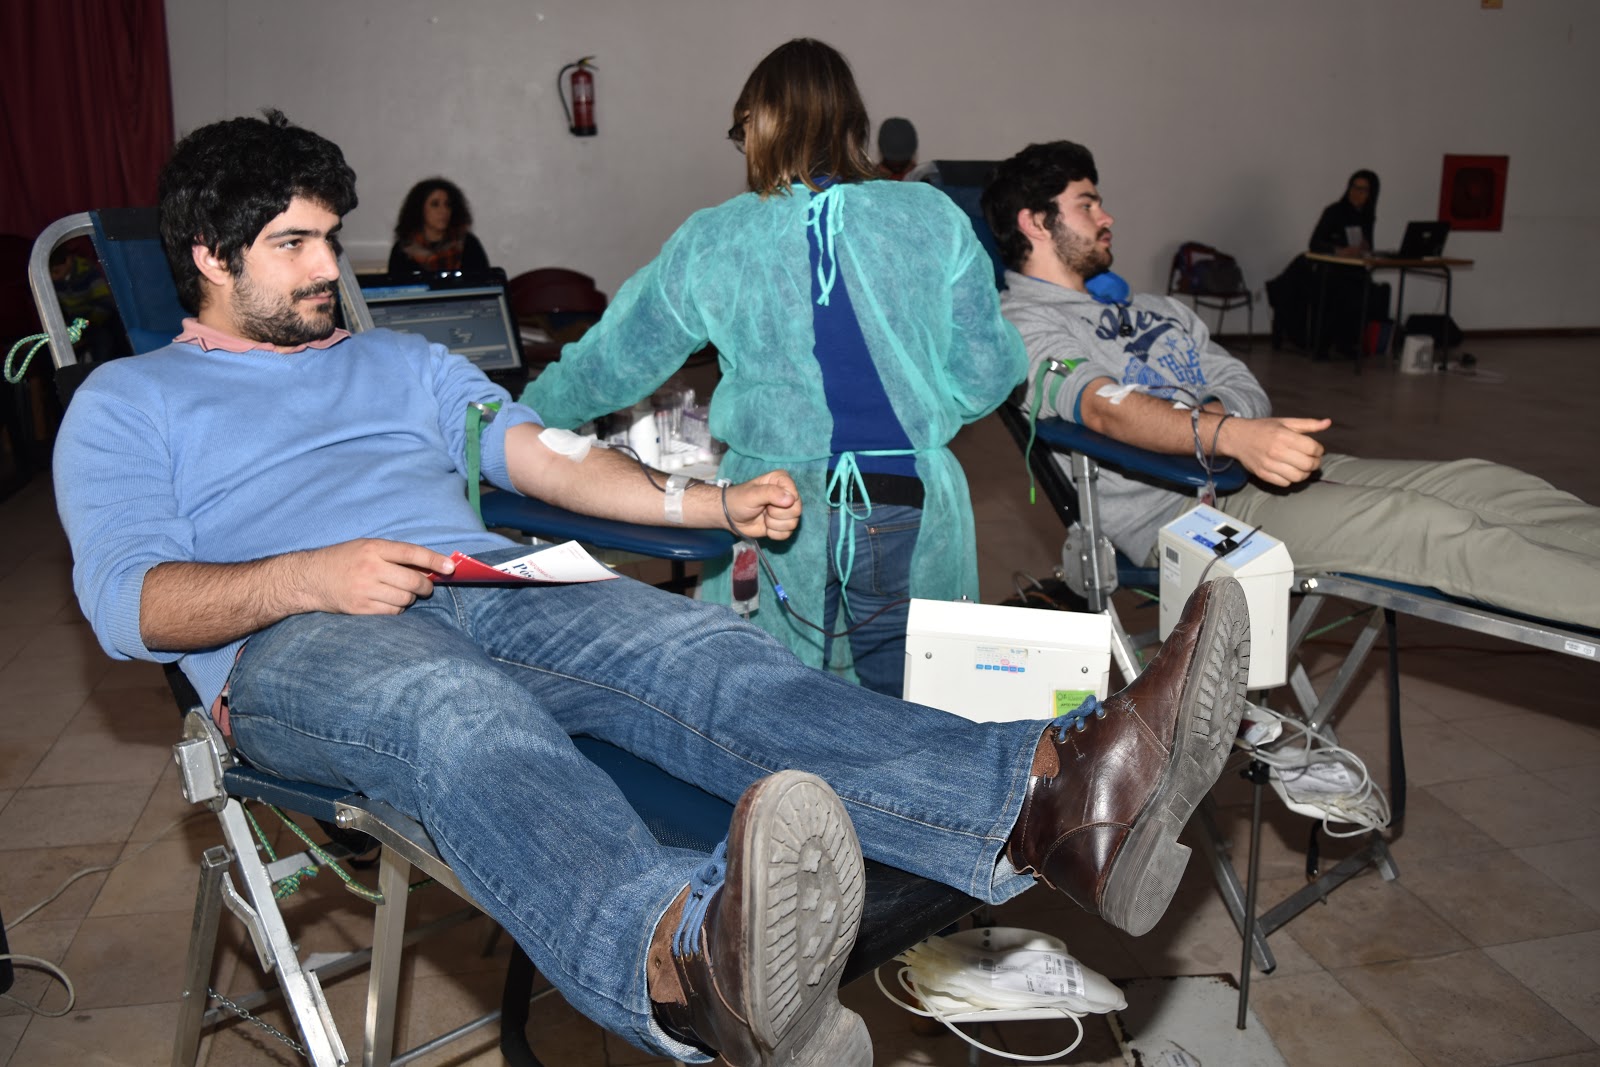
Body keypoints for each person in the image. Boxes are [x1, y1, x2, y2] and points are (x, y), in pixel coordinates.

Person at [52, 112, 1253, 1066]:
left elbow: (547, 457)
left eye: (329, 237)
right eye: (294, 245)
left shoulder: (400, 361)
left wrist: (707, 505)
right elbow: (131, 604)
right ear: (208, 257)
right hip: (296, 640)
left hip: (483, 583)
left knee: (700, 651)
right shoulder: (129, 402)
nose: (330, 268)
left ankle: (1050, 799)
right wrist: (310, 574)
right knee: (459, 714)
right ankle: (685, 962)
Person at [523, 40, 1026, 696]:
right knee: (918, 704)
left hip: (774, 502)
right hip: (910, 495)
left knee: (771, 701)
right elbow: (987, 372)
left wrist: (519, 419)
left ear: (760, 124)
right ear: (852, 121)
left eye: (743, 133)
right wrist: (916, 412)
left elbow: (613, 363)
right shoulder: (932, 217)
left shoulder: (716, 237)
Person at [984, 140, 1600, 629]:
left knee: (1483, 484)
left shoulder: (1153, 308)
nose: (1107, 216)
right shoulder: (1021, 327)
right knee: (1430, 527)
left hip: (1256, 465)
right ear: (1035, 222)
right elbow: (1104, 410)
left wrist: (1228, 422)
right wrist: (1227, 433)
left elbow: (1238, 377)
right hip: (1185, 510)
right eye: (1087, 205)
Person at [1266, 169, 1387, 357]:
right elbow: (1315, 243)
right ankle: (1322, 343)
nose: (1357, 193)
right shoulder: (1334, 211)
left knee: (1368, 291)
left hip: (1352, 269)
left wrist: (1365, 248)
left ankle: (1348, 343)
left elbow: (1367, 246)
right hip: (1328, 268)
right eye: (1354, 188)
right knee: (1337, 289)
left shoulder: (1367, 217)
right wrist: (1340, 251)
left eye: (1363, 190)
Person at [387, 177, 490, 276]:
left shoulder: (469, 244)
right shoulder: (402, 251)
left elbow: (484, 282)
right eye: (435, 204)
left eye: (448, 205)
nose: (443, 211)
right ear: (419, 209)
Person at [874, 116, 918, 180]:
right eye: (892, 161)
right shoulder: (868, 181)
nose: (897, 167)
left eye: (902, 162)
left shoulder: (924, 180)